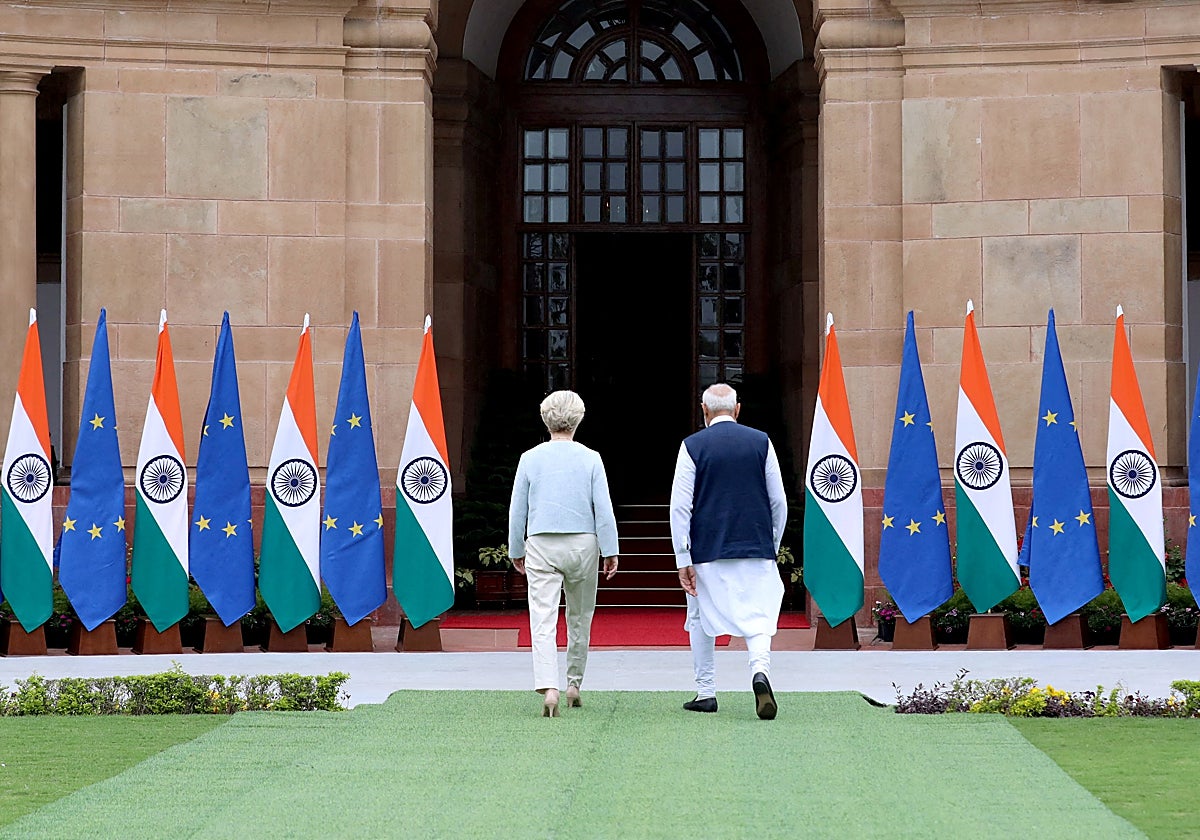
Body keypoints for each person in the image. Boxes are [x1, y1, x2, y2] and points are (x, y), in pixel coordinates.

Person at [670, 383, 788, 719]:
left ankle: (706, 691)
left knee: (699, 617)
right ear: (737, 409)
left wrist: (682, 556)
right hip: (756, 545)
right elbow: (778, 501)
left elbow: (680, 507)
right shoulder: (761, 442)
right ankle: (759, 671)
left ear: (704, 410)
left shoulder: (692, 445)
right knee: (759, 617)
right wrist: (771, 544)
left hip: (707, 550)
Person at [509, 390, 619, 717]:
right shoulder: (591, 458)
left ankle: (549, 687)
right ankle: (574, 683)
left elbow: (518, 509)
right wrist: (611, 549)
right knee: (580, 615)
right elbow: (603, 508)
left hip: (541, 541)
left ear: (546, 420)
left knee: (542, 617)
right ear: (578, 420)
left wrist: (516, 548)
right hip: (583, 542)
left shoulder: (530, 458)